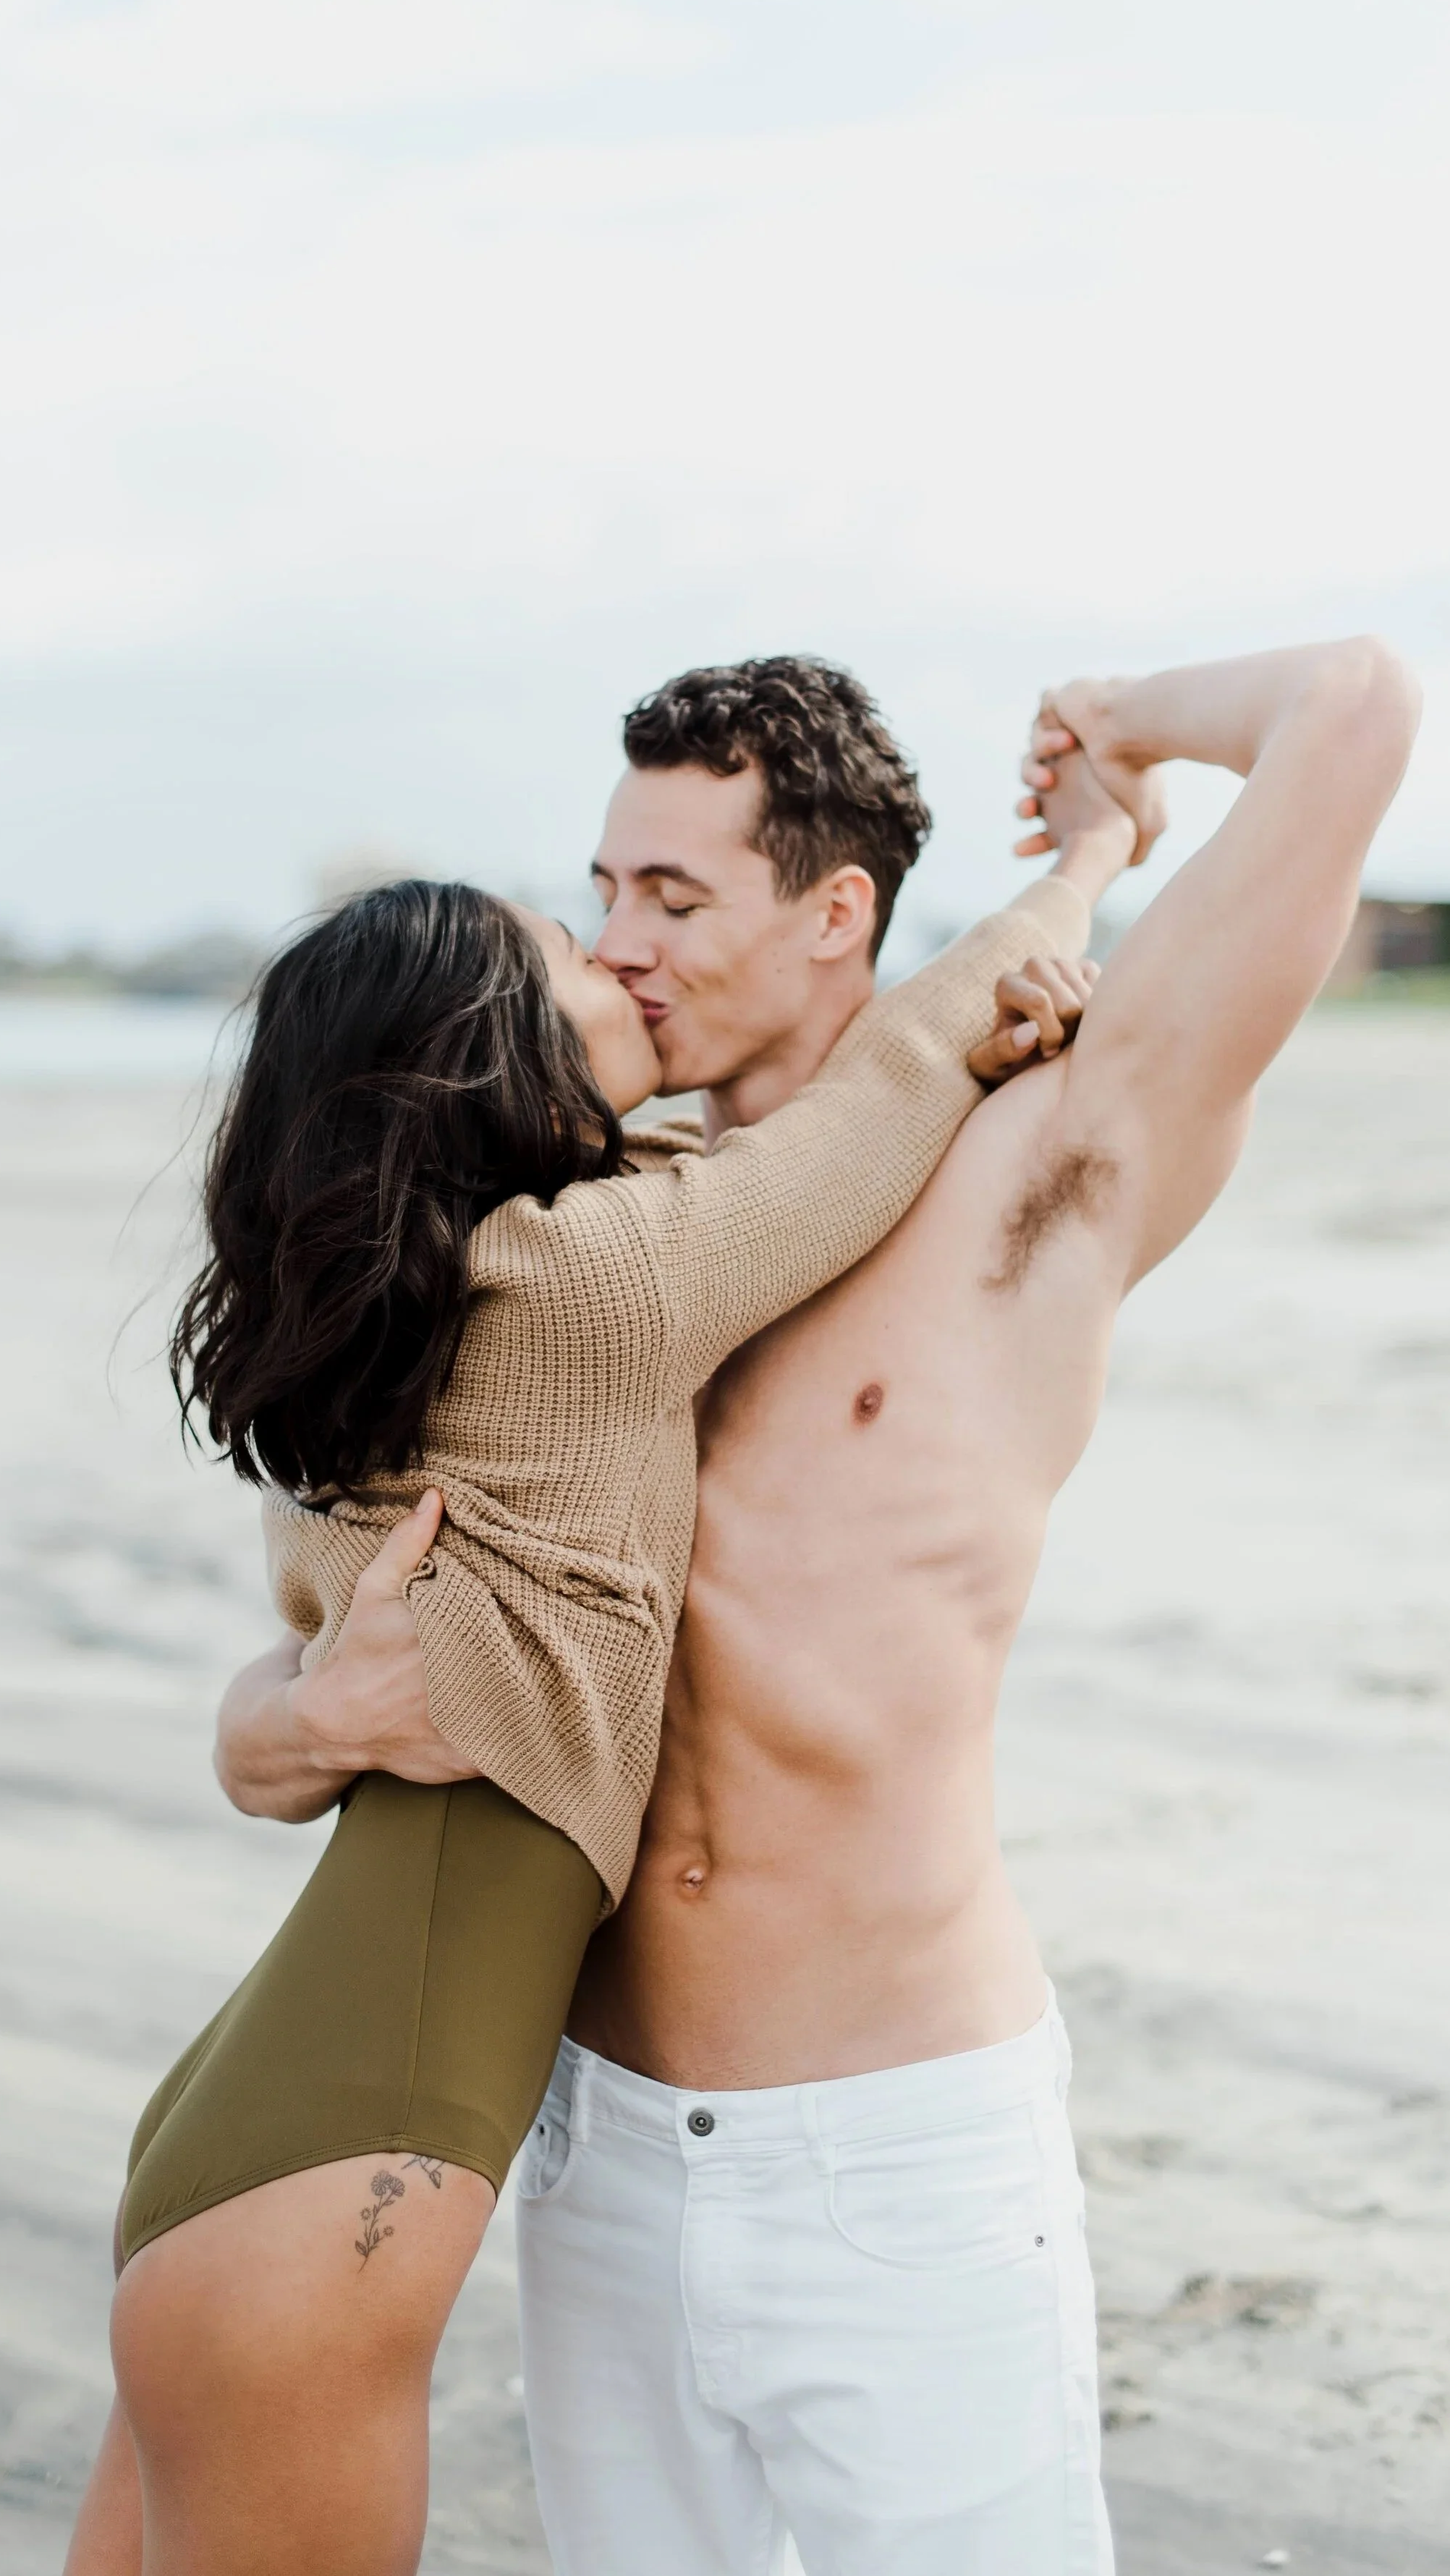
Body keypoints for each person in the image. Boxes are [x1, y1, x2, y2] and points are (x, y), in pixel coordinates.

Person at [219, 642, 1420, 2575]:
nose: (618, 945)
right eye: (603, 891)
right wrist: (291, 1725)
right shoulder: (557, 1244)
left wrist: (1115, 746)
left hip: (901, 2155)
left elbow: (1356, 710)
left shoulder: (1043, 1157)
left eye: (676, 900)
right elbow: (300, 1653)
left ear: (835, 914)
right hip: (595, 2152)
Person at [64, 662, 1132, 2576]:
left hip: (236, 2152)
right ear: (484, 1056)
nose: (622, 967)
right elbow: (888, 1089)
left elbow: (302, 1681)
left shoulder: (390, 1340)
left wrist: (288, 1723)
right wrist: (1085, 872)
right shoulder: (586, 1290)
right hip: (327, 2210)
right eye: (572, 948)